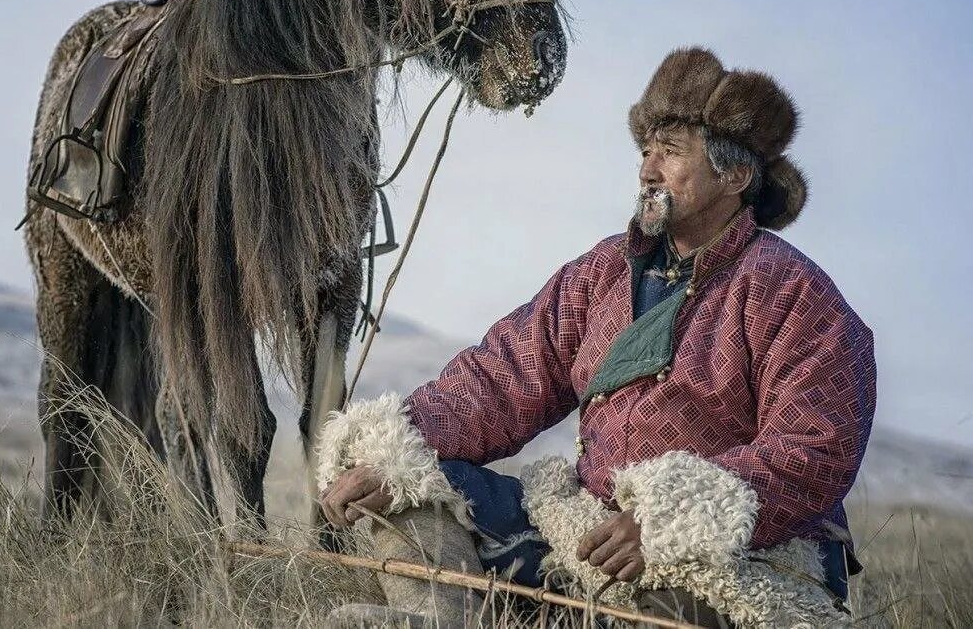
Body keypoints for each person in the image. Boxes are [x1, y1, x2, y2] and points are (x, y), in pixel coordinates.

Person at [318, 47, 875, 628]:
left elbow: (813, 450)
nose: (647, 170)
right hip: (585, 523)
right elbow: (504, 377)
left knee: (673, 611)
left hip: (740, 551)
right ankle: (439, 617)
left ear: (735, 176)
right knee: (415, 489)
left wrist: (667, 520)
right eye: (645, 151)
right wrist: (395, 451)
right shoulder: (602, 273)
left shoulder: (795, 293)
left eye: (672, 152)